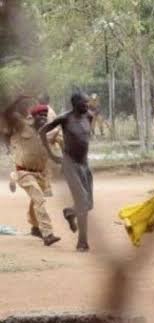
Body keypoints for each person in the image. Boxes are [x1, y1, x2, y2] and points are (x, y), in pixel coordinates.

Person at [39, 92, 94, 252]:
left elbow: (84, 138)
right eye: (84, 103)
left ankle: (70, 212)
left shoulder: (88, 116)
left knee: (88, 204)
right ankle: (82, 242)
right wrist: (52, 155)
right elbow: (42, 131)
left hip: (85, 165)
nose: (87, 106)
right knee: (83, 202)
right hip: (70, 164)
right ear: (75, 104)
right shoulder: (64, 118)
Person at [3, 101, 60, 246]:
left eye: (45, 115)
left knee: (35, 200)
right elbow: (7, 114)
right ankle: (48, 234)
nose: (43, 117)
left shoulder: (49, 132)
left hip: (41, 174)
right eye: (40, 114)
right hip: (24, 172)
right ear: (32, 117)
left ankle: (35, 228)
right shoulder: (21, 126)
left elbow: (62, 144)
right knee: (39, 199)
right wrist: (17, 100)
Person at [38, 93, 62, 197]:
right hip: (46, 141)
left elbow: (55, 129)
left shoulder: (48, 112)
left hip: (46, 141)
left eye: (40, 98)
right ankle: (46, 188)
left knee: (45, 166)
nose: (38, 99)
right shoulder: (46, 111)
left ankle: (47, 188)